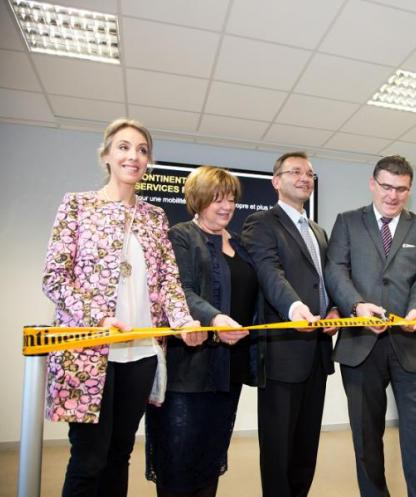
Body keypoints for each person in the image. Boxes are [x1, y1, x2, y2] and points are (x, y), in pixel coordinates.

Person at [42, 118, 198, 497]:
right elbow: (54, 278)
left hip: (141, 353)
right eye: (125, 147)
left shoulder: (154, 217)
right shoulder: (78, 206)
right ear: (107, 155)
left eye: (142, 150)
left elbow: (168, 283)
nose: (134, 156)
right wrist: (99, 318)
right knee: (89, 458)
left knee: (120, 454)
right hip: (90, 353)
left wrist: (183, 321)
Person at [324, 155, 416, 497]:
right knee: (366, 437)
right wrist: (357, 306)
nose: (392, 195)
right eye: (386, 186)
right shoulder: (348, 222)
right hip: (361, 345)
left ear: (410, 190)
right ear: (373, 184)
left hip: (412, 344)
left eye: (401, 189)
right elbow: (335, 270)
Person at [145, 166, 260, 497]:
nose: (226, 207)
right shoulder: (181, 236)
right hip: (188, 371)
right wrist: (216, 319)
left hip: (228, 370)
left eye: (231, 199)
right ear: (198, 200)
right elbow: (179, 290)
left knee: (210, 459)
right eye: (216, 199)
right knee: (178, 462)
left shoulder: (239, 244)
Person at [240, 151, 338, 497]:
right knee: (279, 448)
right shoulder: (261, 223)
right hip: (282, 356)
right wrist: (294, 306)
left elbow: (327, 281)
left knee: (306, 446)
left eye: (309, 173)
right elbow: (269, 273)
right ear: (276, 181)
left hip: (318, 353)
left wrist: (335, 310)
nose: (304, 178)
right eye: (295, 172)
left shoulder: (318, 231)